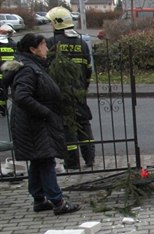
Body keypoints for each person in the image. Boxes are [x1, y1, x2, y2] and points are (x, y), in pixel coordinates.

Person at [0, 33, 81, 215]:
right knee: (46, 160)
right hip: (34, 123)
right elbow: (21, 96)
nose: (46, 48)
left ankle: (38, 199)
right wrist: (45, 112)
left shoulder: (31, 65)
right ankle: (58, 201)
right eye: (43, 45)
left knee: (38, 159)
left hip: (33, 122)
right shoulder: (28, 68)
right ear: (33, 49)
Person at [46, 6, 95, 169]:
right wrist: (83, 87)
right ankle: (89, 158)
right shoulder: (81, 43)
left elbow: (46, 70)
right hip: (79, 92)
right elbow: (88, 69)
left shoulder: (51, 43)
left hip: (60, 93)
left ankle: (72, 163)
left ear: (57, 23)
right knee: (83, 124)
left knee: (67, 128)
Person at [0, 24, 16, 117]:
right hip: (11, 72)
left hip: (1, 73)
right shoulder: (13, 44)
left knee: (2, 92)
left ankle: (2, 110)